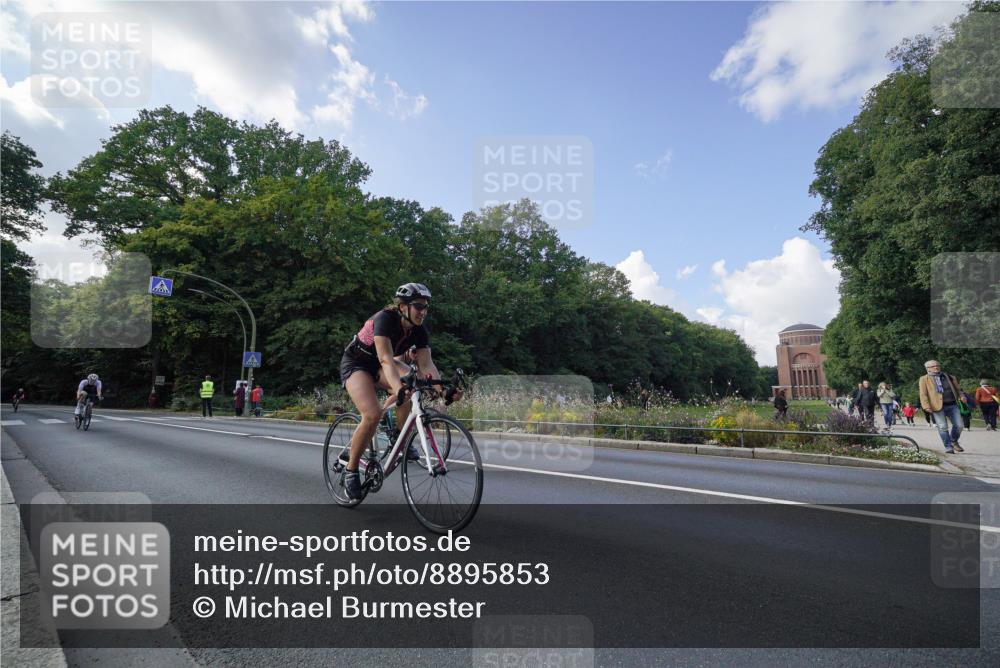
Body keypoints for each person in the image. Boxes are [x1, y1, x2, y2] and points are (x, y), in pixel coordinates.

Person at [338, 283, 462, 500]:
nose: (423, 312)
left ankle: (397, 436)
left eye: (426, 307)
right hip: (357, 364)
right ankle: (351, 470)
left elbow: (427, 365)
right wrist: (399, 388)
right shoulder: (385, 319)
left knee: (413, 385)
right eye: (418, 306)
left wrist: (443, 391)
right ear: (403, 306)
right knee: (372, 414)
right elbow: (386, 359)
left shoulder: (419, 330)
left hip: (380, 365)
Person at [918, 360, 967, 454]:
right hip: (936, 407)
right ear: (928, 369)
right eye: (933, 366)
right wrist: (926, 406)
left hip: (952, 404)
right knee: (942, 427)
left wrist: (962, 396)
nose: (936, 367)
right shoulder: (924, 379)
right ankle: (948, 447)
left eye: (938, 365)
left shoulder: (950, 377)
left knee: (959, 425)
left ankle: (953, 441)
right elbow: (923, 394)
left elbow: (958, 389)